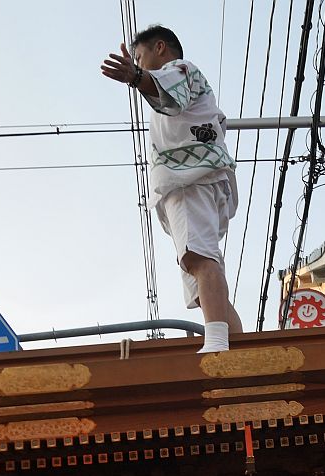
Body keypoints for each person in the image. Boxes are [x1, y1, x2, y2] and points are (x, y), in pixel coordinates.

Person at [101, 25, 242, 353]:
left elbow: (165, 91)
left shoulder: (180, 69)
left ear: (160, 47)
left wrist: (136, 76)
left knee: (200, 258)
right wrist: (139, 77)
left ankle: (217, 343)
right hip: (194, 180)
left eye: (139, 56)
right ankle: (241, 349)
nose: (138, 63)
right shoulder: (183, 85)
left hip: (192, 179)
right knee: (200, 272)